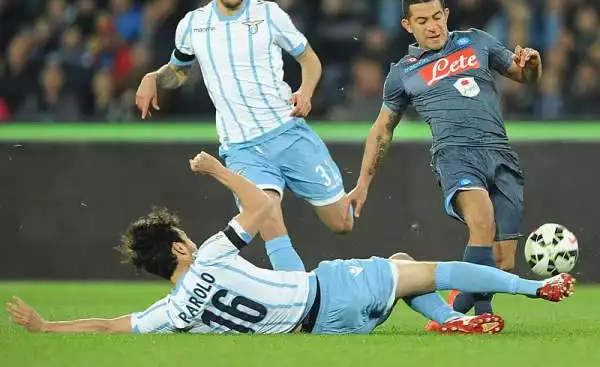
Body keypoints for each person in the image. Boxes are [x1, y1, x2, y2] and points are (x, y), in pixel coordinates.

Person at [7, 152, 574, 335]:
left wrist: (47, 328)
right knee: (442, 267)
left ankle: (451, 325)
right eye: (182, 236)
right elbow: (261, 207)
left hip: (321, 328)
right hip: (329, 290)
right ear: (180, 250)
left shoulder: (173, 312)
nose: (188, 239)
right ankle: (534, 285)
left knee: (401, 265)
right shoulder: (208, 255)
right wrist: (218, 171)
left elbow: (112, 325)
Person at [135, 0, 353, 274]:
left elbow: (310, 60)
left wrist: (306, 90)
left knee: (342, 223)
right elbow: (178, 72)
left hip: (288, 131)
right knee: (268, 220)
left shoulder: (270, 15)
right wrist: (153, 77)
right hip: (242, 148)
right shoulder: (192, 25)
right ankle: (300, 309)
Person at [347, 0, 543, 325]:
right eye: (422, 21)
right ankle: (482, 318)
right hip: (455, 155)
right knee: (481, 221)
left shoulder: (477, 42)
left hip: (499, 152)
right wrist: (363, 183)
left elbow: (522, 74)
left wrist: (533, 66)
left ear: (446, 15)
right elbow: (382, 130)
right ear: (408, 25)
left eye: (437, 17)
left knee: (503, 262)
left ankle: (452, 310)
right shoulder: (403, 73)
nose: (433, 26)